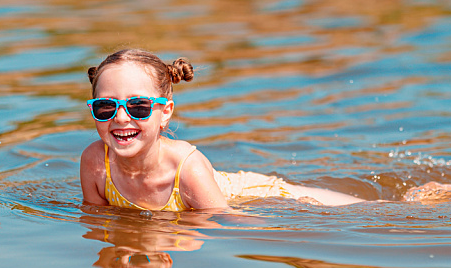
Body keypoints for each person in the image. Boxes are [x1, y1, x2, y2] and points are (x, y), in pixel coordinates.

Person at [80, 48, 364, 212]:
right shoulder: (95, 163)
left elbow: (227, 220)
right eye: (106, 107)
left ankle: (407, 203)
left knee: (358, 211)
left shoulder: (185, 166)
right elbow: (98, 221)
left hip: (253, 194)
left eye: (138, 106)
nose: (120, 118)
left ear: (165, 113)